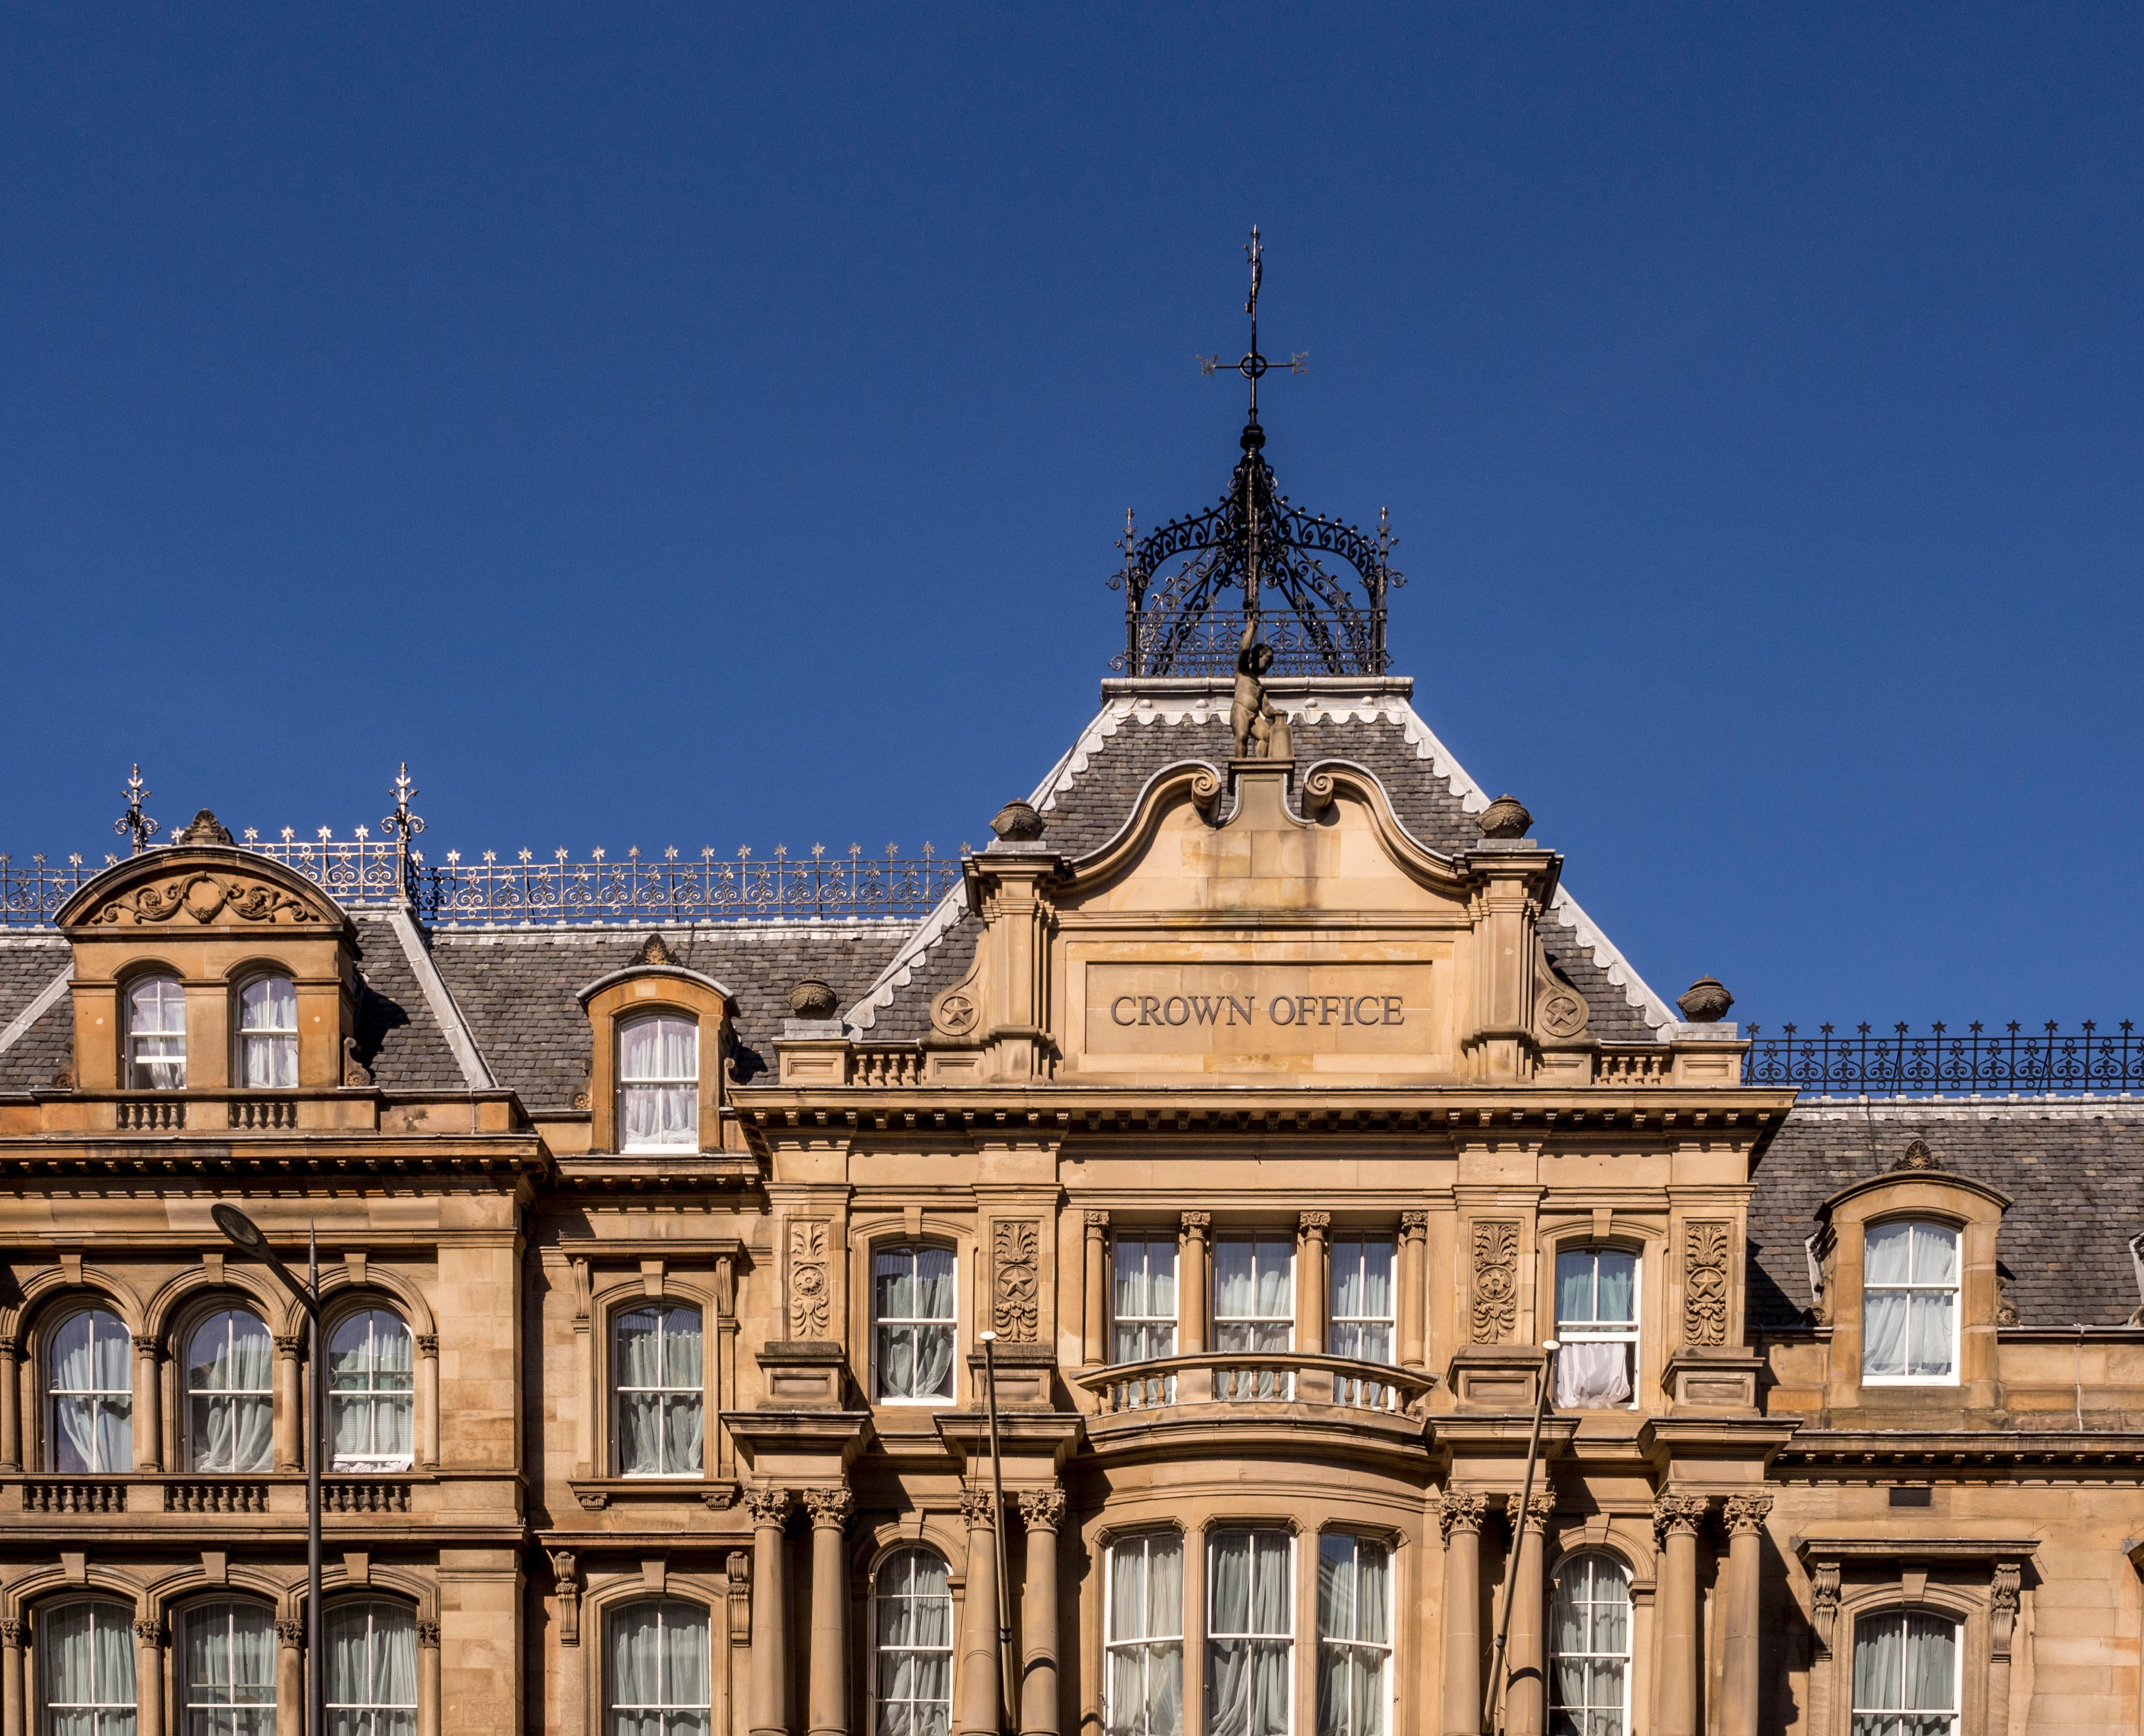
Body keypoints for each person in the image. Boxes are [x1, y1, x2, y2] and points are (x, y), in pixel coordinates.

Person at [1232, 617, 1278, 759]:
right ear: (1259, 655)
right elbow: (1245, 649)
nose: (1268, 666)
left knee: (1267, 735)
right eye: (1267, 661)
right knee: (1242, 736)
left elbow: (1266, 709)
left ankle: (1260, 765)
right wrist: (1251, 628)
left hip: (1255, 716)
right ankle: (1240, 766)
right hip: (1240, 710)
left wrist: (1276, 713)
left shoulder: (1260, 687)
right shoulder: (1243, 671)